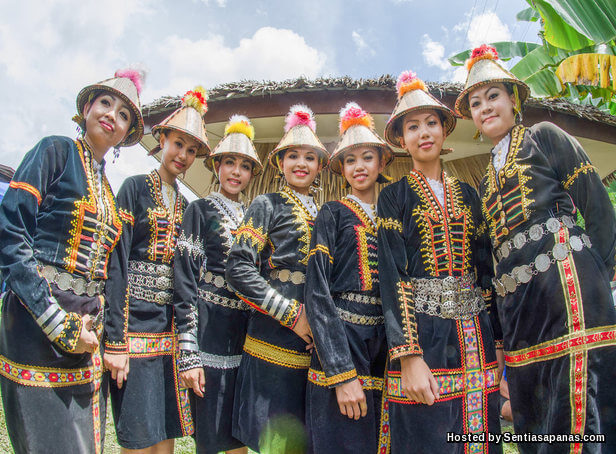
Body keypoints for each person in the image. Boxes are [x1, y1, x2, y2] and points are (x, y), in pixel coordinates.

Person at [455, 44, 616, 453]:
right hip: (520, 314)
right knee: (533, 412)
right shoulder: (484, 181)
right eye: (476, 103)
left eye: (493, 96)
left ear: (514, 99)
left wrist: (599, 276)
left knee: (578, 403)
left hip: (568, 293)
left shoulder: (544, 136)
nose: (485, 108)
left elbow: (597, 207)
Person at [0, 68, 144, 454]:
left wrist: (107, 336)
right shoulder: (54, 151)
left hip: (86, 335)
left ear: (126, 134)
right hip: (35, 324)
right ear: (87, 109)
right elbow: (11, 234)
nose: (112, 115)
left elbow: (112, 273)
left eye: (124, 115)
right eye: (105, 103)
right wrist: (56, 322)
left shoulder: (109, 193)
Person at [377, 70, 503, 453]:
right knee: (426, 435)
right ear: (402, 139)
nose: (424, 133)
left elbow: (486, 271)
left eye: (431, 122)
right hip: (422, 334)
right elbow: (393, 275)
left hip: (476, 334)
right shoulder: (393, 196)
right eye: (412, 127)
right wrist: (408, 356)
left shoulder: (469, 194)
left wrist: (498, 342)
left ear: (444, 130)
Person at [104, 86, 209, 453]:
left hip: (169, 329)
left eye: (191, 150)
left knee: (166, 429)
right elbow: (116, 262)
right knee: (137, 431)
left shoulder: (188, 205)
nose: (183, 155)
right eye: (178, 144)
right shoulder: (134, 188)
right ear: (162, 140)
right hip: (132, 324)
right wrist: (115, 339)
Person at [226, 104, 329, 453]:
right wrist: (292, 315)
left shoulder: (326, 215)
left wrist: (323, 328)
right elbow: (238, 268)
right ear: (280, 162)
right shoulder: (265, 204)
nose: (301, 163)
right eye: (293, 156)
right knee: (272, 442)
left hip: (313, 351)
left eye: (310, 157)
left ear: (320, 166)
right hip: (270, 342)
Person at [304, 102, 393, 453]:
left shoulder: (391, 216)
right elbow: (317, 291)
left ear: (381, 162)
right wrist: (340, 371)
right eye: (350, 160)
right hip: (342, 340)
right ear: (341, 168)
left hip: (385, 345)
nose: (359, 166)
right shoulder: (331, 213)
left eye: (367, 157)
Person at [174, 115, 263, 454]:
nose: (236, 172)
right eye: (229, 163)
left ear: (252, 173)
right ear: (217, 166)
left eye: (244, 166)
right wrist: (188, 351)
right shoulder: (200, 210)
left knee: (238, 434)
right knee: (210, 436)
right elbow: (185, 279)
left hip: (245, 338)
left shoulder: (255, 217)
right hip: (208, 331)